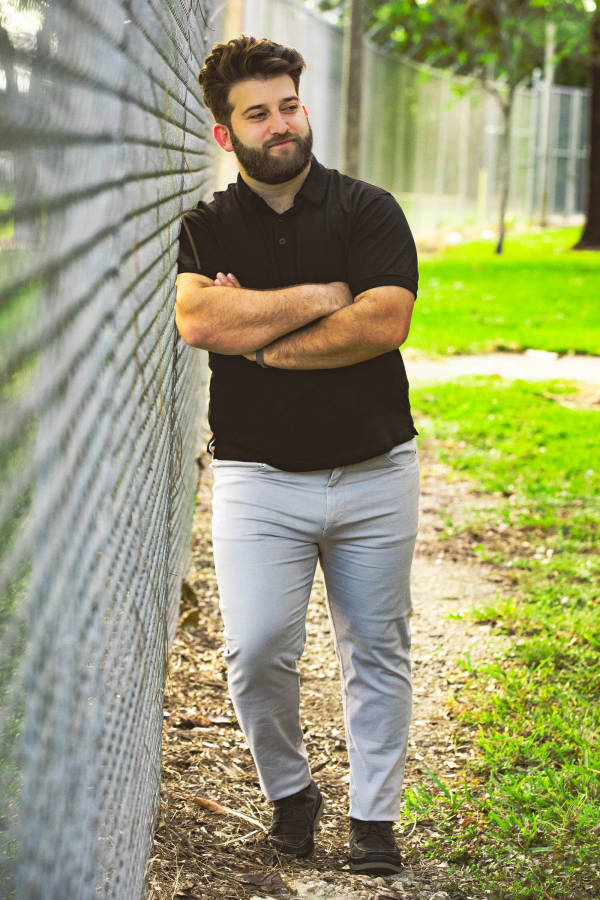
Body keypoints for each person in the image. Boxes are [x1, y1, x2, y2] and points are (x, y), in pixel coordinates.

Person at [175, 35, 419, 875]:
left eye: (289, 105)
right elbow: (201, 322)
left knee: (376, 647)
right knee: (255, 651)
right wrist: (322, 299)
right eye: (258, 113)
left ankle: (374, 821)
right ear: (224, 134)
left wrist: (264, 338)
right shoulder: (206, 227)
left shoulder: (368, 210)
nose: (281, 125)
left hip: (375, 469)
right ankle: (291, 793)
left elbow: (384, 322)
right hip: (258, 477)